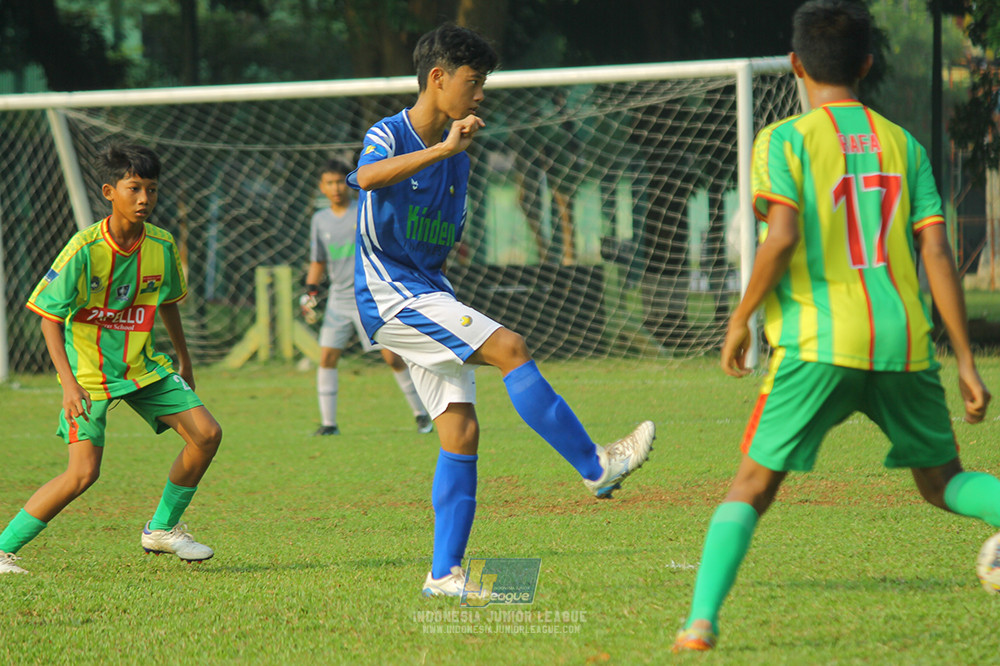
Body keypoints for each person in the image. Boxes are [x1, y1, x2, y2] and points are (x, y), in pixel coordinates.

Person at [672, 0, 998, 652]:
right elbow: (937, 252)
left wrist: (740, 318)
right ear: (868, 65)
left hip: (818, 343)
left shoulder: (784, 140)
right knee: (944, 484)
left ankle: (700, 623)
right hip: (903, 342)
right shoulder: (903, 144)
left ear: (796, 64)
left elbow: (781, 236)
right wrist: (964, 359)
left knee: (751, 488)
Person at [347, 23, 656, 597]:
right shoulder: (389, 133)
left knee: (461, 433)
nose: (481, 93)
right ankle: (595, 465)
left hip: (428, 290)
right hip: (391, 294)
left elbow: (443, 239)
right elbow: (365, 178)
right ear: (437, 78)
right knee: (511, 347)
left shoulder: (460, 162)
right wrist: (441, 150)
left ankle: (444, 575)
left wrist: (450, 156)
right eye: (473, 81)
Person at [0, 144, 222, 575]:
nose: (144, 198)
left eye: (151, 189)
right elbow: (48, 319)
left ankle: (162, 528)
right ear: (109, 192)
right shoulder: (83, 249)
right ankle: (3, 548)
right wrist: (68, 385)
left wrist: (185, 359)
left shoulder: (162, 244)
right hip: (89, 375)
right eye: (134, 188)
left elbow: (168, 302)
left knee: (207, 434)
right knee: (82, 474)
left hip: (143, 368)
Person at [300, 158, 433, 436]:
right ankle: (329, 424)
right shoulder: (319, 220)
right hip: (338, 300)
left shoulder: (364, 209)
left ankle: (421, 414)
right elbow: (318, 260)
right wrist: (310, 290)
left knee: (392, 358)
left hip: (370, 298)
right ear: (321, 187)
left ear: (349, 183)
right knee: (327, 357)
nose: (336, 188)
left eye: (340, 182)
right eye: (329, 183)